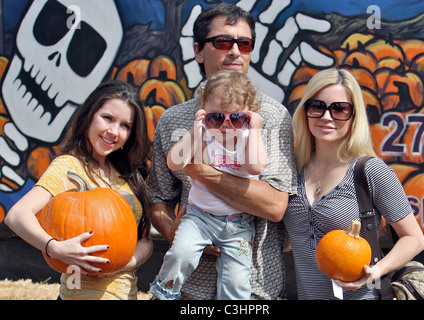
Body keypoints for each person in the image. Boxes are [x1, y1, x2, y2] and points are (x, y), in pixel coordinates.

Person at [149, 3, 297, 300]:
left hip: (253, 289)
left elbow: (275, 205)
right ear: (198, 51)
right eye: (222, 42)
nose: (234, 51)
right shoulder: (174, 120)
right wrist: (174, 231)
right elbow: (158, 199)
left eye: (244, 43)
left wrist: (200, 171)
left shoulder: (274, 116)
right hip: (189, 291)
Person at [284, 68, 424, 299]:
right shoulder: (293, 170)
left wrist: (375, 271)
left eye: (339, 108)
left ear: (354, 116)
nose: (326, 117)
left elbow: (414, 239)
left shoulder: (369, 171)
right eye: (317, 106)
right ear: (306, 111)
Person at [5, 80, 153, 300]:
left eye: (125, 126)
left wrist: (124, 261)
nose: (114, 131)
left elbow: (145, 240)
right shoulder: (69, 167)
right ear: (90, 115)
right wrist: (53, 248)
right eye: (108, 118)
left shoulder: (128, 176)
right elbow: (17, 215)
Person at [150, 70, 266, 300]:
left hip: (239, 225)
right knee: (181, 254)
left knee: (236, 280)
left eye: (236, 118)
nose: (225, 125)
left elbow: (255, 167)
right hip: (199, 217)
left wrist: (254, 129)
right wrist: (196, 130)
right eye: (215, 117)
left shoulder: (247, 137)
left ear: (249, 116)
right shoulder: (202, 135)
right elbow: (174, 163)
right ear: (203, 113)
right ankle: (163, 294)